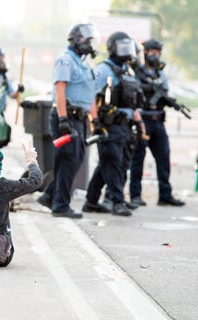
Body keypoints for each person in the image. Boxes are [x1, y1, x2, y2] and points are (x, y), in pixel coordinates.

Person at [36, 23, 98, 219]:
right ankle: (60, 205)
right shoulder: (66, 61)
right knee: (68, 159)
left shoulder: (83, 63)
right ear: (76, 40)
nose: (89, 44)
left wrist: (95, 122)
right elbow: (60, 90)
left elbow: (90, 95)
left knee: (75, 160)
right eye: (87, 40)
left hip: (79, 119)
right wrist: (63, 118)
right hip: (65, 117)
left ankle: (50, 195)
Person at [84, 31, 144, 217]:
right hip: (109, 124)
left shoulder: (129, 70)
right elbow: (91, 96)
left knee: (108, 164)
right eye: (122, 47)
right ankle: (118, 201)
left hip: (125, 126)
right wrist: (95, 122)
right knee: (113, 163)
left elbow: (132, 102)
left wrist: (139, 123)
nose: (127, 51)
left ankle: (91, 201)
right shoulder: (103, 69)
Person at [129, 39, 185, 207]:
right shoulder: (138, 72)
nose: (155, 55)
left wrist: (169, 101)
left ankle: (165, 195)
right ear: (145, 53)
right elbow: (134, 91)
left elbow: (165, 92)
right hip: (143, 120)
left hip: (158, 120)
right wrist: (149, 88)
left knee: (163, 158)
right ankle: (135, 195)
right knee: (137, 159)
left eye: (157, 52)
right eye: (152, 52)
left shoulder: (160, 74)